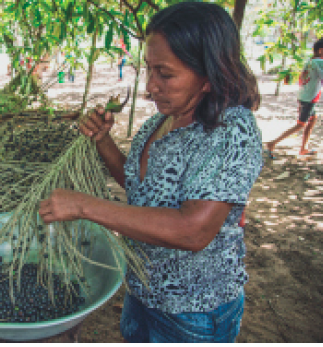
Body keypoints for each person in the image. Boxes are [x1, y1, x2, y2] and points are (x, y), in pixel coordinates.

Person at [39, 2, 263, 343]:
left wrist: (85, 206)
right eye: (149, 70)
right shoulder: (163, 119)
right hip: (143, 291)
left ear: (209, 73)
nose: (150, 87)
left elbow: (193, 231)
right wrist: (103, 142)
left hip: (192, 312)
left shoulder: (230, 131)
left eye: (166, 74)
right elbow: (140, 188)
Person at [265, 38, 323, 159]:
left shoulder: (310, 61)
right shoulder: (319, 62)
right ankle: (272, 143)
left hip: (304, 96)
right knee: (301, 124)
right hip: (309, 98)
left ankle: (303, 148)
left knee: (312, 119)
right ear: (321, 51)